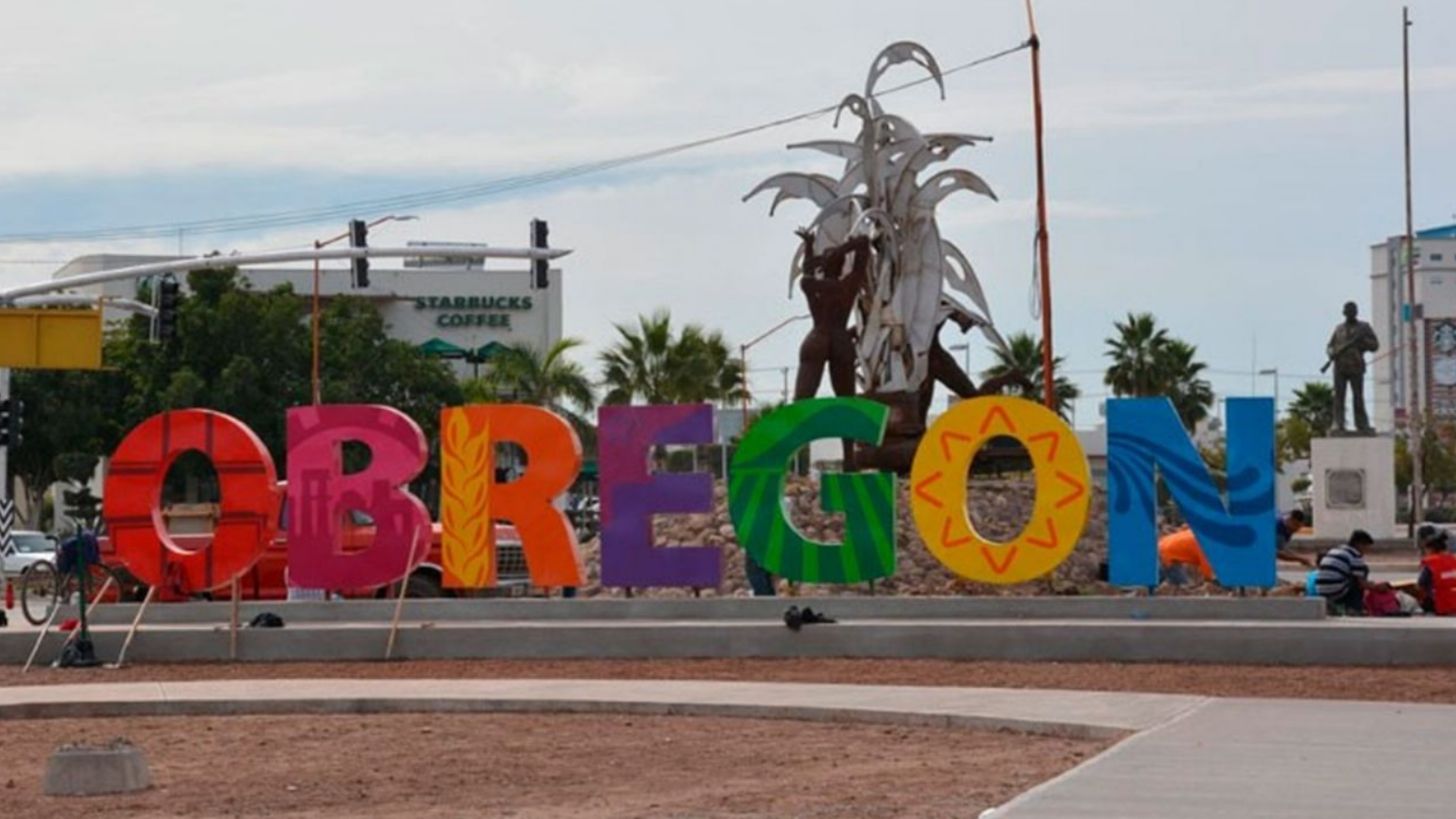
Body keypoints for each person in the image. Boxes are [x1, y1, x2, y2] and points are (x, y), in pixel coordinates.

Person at [1156, 510, 1313, 586]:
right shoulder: (1206, 545)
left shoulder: (1208, 540)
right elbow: (1208, 572)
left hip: (1164, 547)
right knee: (1181, 585)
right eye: (1295, 526)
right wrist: (1219, 582)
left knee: (1160, 578)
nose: (1296, 530)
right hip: (1167, 553)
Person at [1326, 301, 1379, 434]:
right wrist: (1332, 353)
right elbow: (1330, 345)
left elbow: (1374, 345)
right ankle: (1338, 423)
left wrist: (1361, 342)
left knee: (1358, 396)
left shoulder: (1364, 327)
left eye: (1353, 310)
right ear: (1344, 313)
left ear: (1356, 312)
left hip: (1356, 365)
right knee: (1339, 396)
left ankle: (1362, 424)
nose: (1350, 313)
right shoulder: (1339, 329)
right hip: (1340, 367)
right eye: (1348, 311)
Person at [1314, 529, 1389, 615]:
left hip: (1321, 590)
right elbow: (1361, 583)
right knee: (1362, 572)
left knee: (1355, 574)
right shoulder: (1355, 555)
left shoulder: (1335, 550)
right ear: (1359, 544)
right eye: (1365, 547)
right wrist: (1376, 587)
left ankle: (1333, 607)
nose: (1365, 551)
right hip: (1336, 591)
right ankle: (1354, 609)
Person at [1416, 525, 1456, 615]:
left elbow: (1420, 586)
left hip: (1440, 605)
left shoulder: (1431, 562)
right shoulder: (1453, 560)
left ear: (1431, 549)